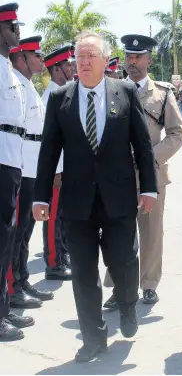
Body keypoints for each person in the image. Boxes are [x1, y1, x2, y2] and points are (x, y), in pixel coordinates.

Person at [33, 31, 158, 362]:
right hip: (77, 202)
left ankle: (128, 305)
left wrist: (148, 188)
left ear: (105, 60)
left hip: (118, 196)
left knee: (124, 261)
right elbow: (48, 152)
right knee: (85, 273)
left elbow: (142, 146)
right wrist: (40, 197)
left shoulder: (125, 92)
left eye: (91, 56)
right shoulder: (61, 98)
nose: (84, 63)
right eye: (80, 57)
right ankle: (93, 337)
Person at [103, 34, 182, 309]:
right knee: (119, 233)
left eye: (138, 57)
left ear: (149, 60)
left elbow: (177, 133)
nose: (132, 62)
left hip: (151, 174)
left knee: (151, 232)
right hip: (119, 176)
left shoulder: (162, 93)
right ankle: (118, 286)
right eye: (129, 56)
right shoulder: (110, 90)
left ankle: (149, 284)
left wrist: (151, 158)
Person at [7, 36, 54, 310]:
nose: (40, 60)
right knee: (16, 232)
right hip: (22, 167)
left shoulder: (29, 87)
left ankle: (21, 280)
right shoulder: (17, 86)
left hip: (32, 167)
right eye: (36, 55)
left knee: (25, 231)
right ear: (22, 57)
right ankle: (12, 289)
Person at [0, 3, 35, 342]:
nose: (17, 34)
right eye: (12, 28)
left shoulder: (10, 72)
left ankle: (4, 308)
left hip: (13, 158)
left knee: (7, 237)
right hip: (1, 159)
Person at [41, 45, 74, 281]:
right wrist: (57, 171)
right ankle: (53, 263)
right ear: (56, 68)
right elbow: (50, 141)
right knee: (52, 218)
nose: (72, 67)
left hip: (65, 168)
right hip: (56, 170)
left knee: (61, 215)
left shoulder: (64, 93)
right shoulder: (49, 97)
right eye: (67, 64)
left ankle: (61, 254)